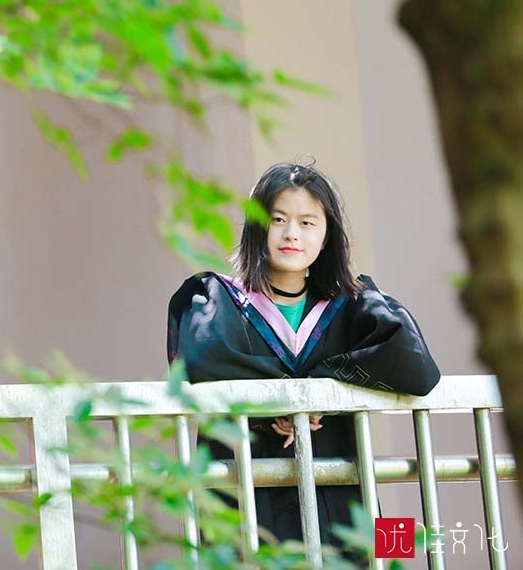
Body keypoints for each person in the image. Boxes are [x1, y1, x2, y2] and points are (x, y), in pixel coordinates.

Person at [166, 161, 441, 553]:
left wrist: (321, 389)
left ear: (327, 236)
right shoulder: (217, 299)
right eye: (278, 219)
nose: (292, 233)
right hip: (247, 505)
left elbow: (416, 367)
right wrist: (283, 400)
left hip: (341, 504)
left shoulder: (354, 303)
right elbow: (201, 361)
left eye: (307, 222)